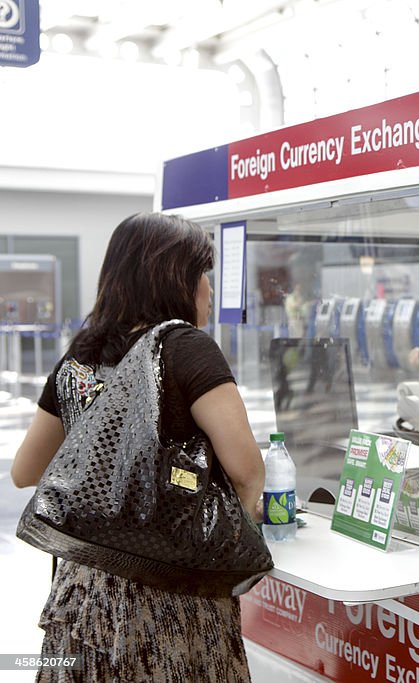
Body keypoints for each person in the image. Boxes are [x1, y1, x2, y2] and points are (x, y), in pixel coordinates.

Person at [10, 212, 264, 682]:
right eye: (202, 272)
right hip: (172, 592)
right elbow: (247, 470)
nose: (208, 286)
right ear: (176, 277)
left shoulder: (82, 353)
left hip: (85, 594)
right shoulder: (186, 347)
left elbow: (26, 471)